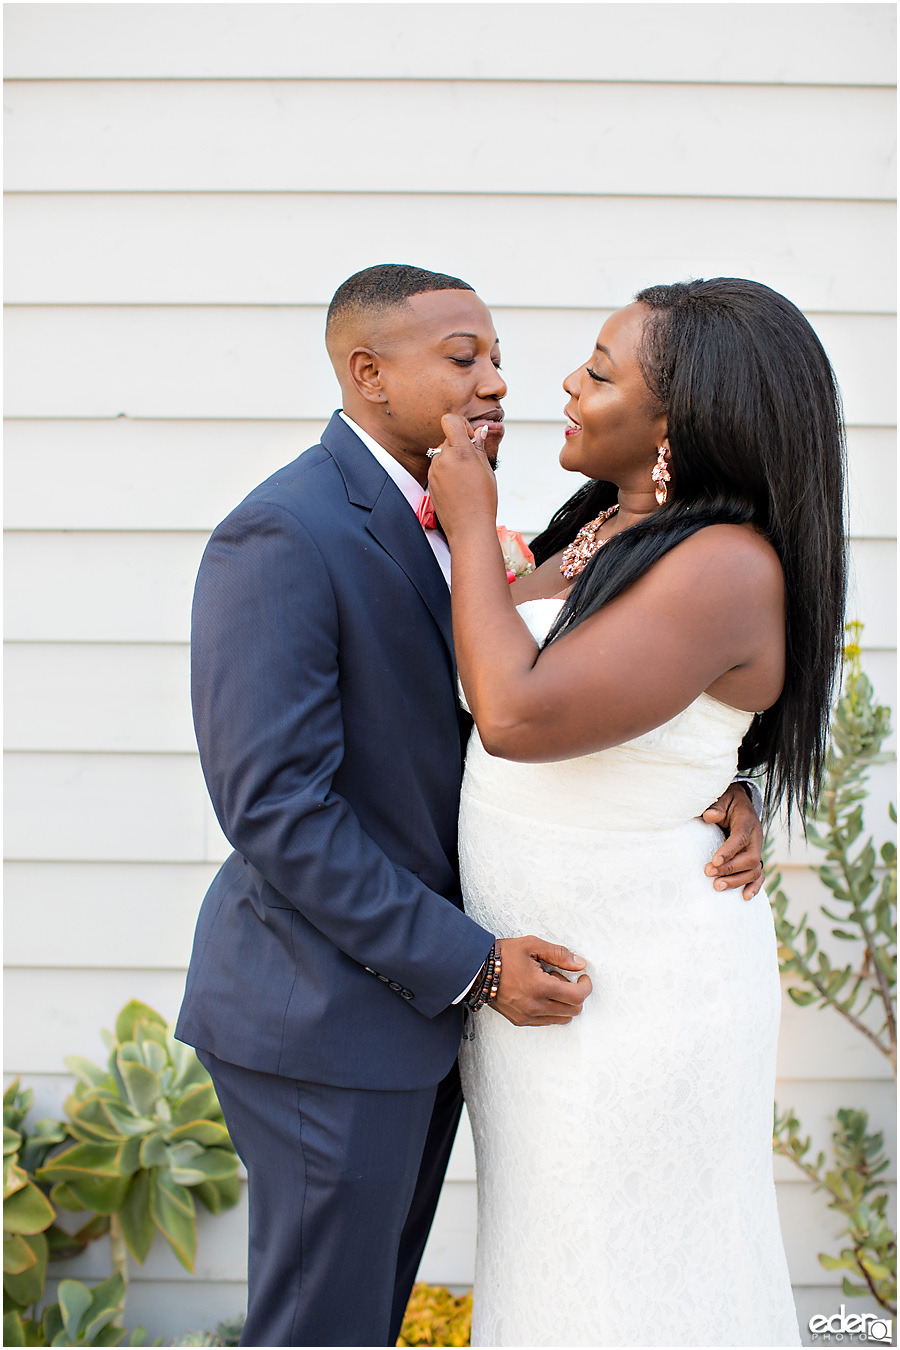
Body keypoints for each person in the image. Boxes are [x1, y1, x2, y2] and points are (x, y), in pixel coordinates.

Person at [175, 265, 765, 1348]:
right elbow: (276, 811)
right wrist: (472, 964)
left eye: (495, 356)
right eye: (463, 359)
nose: (499, 382)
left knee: (366, 1320)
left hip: (432, 1011)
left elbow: (577, 696)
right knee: (322, 1330)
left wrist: (711, 776)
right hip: (328, 1010)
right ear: (367, 372)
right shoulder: (284, 533)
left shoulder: (472, 521)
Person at [426, 277, 846, 1348]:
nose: (566, 382)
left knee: (638, 1280)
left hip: (637, 998)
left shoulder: (725, 565)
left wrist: (471, 521)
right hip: (552, 987)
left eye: (601, 371)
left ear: (680, 424)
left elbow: (517, 712)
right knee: (560, 1262)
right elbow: (646, 725)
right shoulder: (608, 526)